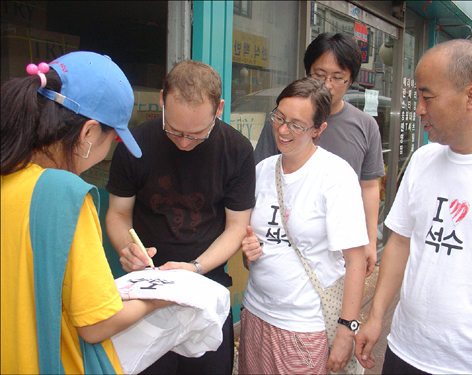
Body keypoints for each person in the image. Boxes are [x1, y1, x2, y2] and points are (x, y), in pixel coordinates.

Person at [1, 51, 173, 374]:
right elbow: (95, 323)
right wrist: (161, 298)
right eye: (113, 139)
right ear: (89, 133)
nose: (109, 152)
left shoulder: (9, 173)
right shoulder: (64, 195)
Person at [354, 39, 472, 374]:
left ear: (471, 97)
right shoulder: (422, 160)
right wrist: (375, 318)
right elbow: (400, 243)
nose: (418, 108)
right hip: (405, 350)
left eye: (427, 96)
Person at [105, 59, 256, 374]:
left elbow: (236, 227)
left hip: (206, 289)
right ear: (162, 100)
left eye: (198, 133)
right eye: (174, 130)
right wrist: (127, 248)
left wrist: (194, 268)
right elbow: (118, 214)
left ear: (219, 108)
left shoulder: (238, 150)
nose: (185, 142)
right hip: (147, 293)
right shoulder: (134, 145)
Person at [238, 77, 368, 374]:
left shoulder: (334, 175)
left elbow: (355, 260)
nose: (283, 130)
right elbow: (253, 243)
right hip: (256, 314)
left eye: (297, 125)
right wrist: (248, 250)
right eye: (279, 118)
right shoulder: (261, 170)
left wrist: (347, 331)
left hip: (304, 326)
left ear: (319, 129)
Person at [255, 32, 384, 277]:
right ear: (307, 72)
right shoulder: (283, 123)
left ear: (351, 80)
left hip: (339, 250)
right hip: (287, 247)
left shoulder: (365, 126)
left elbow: (368, 186)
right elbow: (261, 181)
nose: (327, 85)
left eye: (338, 78)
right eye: (319, 75)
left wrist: (368, 240)